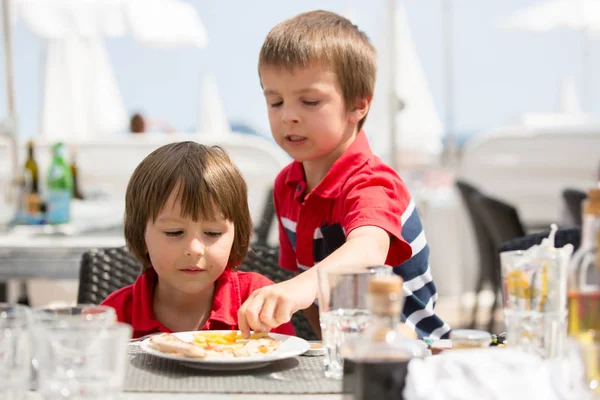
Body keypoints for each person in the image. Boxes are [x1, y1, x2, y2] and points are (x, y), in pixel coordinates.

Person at [237, 10, 451, 340]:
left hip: (415, 351)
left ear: (357, 106)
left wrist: (298, 288)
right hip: (345, 354)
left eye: (309, 101)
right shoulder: (286, 185)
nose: (289, 116)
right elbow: (303, 278)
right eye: (275, 101)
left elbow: (368, 248)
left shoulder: (372, 181)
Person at [101, 142, 295, 338]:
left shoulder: (259, 302)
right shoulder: (114, 316)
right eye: (174, 232)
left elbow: (290, 366)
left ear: (235, 236)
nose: (194, 249)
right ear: (141, 236)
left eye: (212, 233)